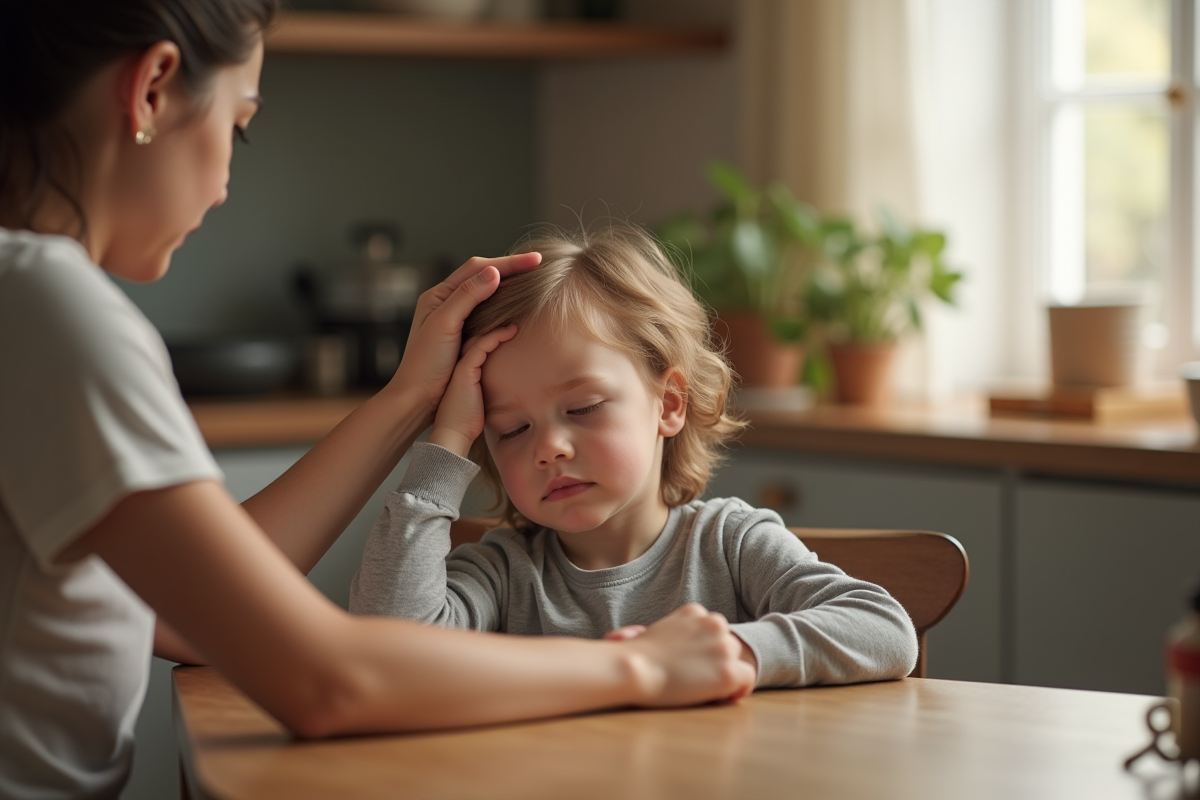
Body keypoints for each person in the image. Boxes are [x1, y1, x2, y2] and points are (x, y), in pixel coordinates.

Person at [0, 3, 756, 797]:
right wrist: (640, 666)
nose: (224, 187)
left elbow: (175, 611)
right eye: (240, 125)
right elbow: (323, 682)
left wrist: (409, 399)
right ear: (153, 88)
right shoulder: (46, 306)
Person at [349, 224, 920, 689]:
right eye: (512, 429)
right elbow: (389, 654)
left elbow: (883, 629)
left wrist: (734, 653)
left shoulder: (729, 545)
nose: (548, 447)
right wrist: (447, 440)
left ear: (668, 404)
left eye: (584, 407)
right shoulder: (503, 574)